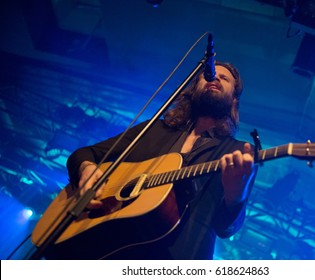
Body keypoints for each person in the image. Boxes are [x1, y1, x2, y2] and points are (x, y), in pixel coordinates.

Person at [61, 61, 257, 260]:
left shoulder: (238, 153)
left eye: (224, 78)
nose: (214, 78)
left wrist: (236, 195)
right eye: (208, 75)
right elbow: (85, 154)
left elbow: (226, 228)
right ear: (193, 89)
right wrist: (86, 169)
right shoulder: (153, 130)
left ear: (233, 99)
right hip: (107, 249)